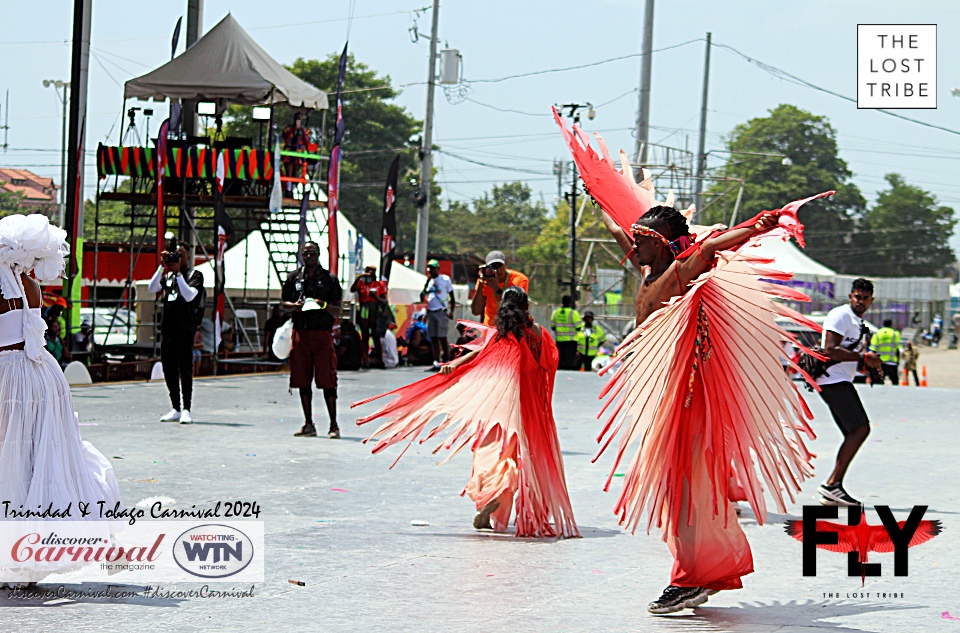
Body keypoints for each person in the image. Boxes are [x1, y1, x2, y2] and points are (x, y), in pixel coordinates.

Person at [558, 105, 832, 617]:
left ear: (659, 245)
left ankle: (693, 575)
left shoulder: (680, 271)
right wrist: (599, 196)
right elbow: (621, 228)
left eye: (639, 241)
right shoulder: (648, 269)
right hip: (666, 394)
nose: (630, 246)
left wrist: (756, 225)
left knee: (683, 490)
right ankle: (700, 570)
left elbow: (713, 248)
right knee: (677, 491)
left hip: (687, 393)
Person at [354, 286, 579, 538]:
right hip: (529, 405)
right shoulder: (537, 333)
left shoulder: (499, 335)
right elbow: (548, 363)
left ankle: (490, 497)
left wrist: (454, 363)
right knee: (525, 455)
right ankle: (505, 497)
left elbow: (478, 354)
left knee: (491, 449)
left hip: (500, 402)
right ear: (526, 307)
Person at [0, 214, 121, 584]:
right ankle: (29, 555)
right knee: (37, 455)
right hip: (42, 374)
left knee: (11, 455)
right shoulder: (31, 285)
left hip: (8, 374)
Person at [816, 278, 882, 507]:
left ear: (871, 301)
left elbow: (850, 352)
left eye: (865, 298)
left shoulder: (858, 321)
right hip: (832, 380)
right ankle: (833, 485)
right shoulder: (841, 315)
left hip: (839, 380)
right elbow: (830, 350)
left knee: (854, 431)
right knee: (861, 428)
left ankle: (833, 486)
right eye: (857, 297)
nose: (860, 301)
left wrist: (869, 366)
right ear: (850, 296)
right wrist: (864, 358)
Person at [281, 241, 343, 439]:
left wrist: (322, 304)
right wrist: (294, 305)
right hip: (301, 333)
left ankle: (334, 425)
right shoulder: (294, 277)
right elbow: (283, 304)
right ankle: (309, 424)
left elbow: (338, 309)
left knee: (327, 379)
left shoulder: (329, 279)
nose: (309, 257)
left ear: (319, 255)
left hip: (322, 333)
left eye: (312, 253)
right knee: (301, 378)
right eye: (305, 254)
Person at [148, 241, 205, 425]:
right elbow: (152, 288)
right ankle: (175, 407)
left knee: (185, 369)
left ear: (188, 257)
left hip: (185, 329)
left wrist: (179, 273)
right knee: (169, 368)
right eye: (175, 254)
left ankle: (187, 408)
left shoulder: (194, 275)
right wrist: (161, 266)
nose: (177, 258)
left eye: (181, 254)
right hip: (168, 329)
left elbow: (189, 296)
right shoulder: (170, 276)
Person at [470, 250, 529, 326]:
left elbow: (514, 308)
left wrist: (496, 288)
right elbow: (476, 311)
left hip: (511, 327)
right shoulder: (485, 280)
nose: (498, 270)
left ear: (506, 264)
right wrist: (481, 282)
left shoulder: (519, 280)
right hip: (490, 328)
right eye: (493, 266)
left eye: (500, 265)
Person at [350, 265, 388, 368]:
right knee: (365, 335)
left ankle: (380, 360)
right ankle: (364, 359)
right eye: (367, 271)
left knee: (376, 336)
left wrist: (375, 297)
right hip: (364, 309)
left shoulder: (379, 284)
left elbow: (384, 301)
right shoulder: (361, 283)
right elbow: (352, 290)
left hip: (375, 310)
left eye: (372, 271)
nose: (370, 273)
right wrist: (360, 277)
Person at [421, 259, 456, 371]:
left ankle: (446, 359)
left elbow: (452, 296)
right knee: (434, 337)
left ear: (438, 269)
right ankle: (436, 361)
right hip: (431, 311)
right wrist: (427, 282)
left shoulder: (445, 279)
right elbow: (422, 295)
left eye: (433, 268)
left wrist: (452, 311)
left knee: (442, 336)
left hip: (441, 311)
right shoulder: (429, 281)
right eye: (429, 268)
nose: (430, 270)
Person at [550, 295, 582, 370]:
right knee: (569, 360)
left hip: (559, 340)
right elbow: (578, 327)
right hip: (571, 341)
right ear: (570, 303)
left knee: (560, 358)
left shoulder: (556, 312)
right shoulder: (573, 313)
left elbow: (553, 327)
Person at [281, 112, 311, 191]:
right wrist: (293, 128)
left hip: (298, 152)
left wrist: (302, 130)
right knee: (289, 172)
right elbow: (284, 136)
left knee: (295, 172)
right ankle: (288, 190)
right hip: (288, 151)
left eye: (299, 119)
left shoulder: (305, 129)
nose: (297, 120)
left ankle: (293, 189)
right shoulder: (289, 127)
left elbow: (307, 141)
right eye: (296, 118)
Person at [870, 319, 901, 385]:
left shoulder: (877, 333)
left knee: (878, 383)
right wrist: (898, 361)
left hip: (880, 363)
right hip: (892, 363)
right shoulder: (895, 334)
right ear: (891, 325)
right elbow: (897, 349)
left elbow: (873, 349)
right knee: (895, 383)